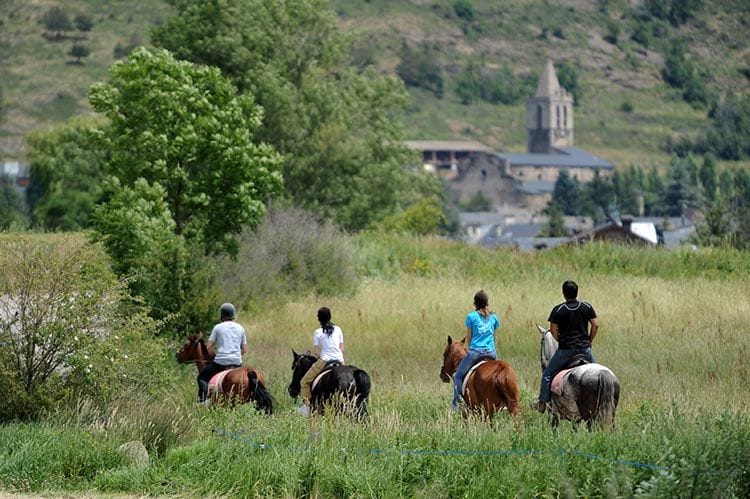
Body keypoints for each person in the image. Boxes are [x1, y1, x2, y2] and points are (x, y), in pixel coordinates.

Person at [532, 280, 598, 413]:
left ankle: (542, 403)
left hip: (566, 351)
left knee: (547, 374)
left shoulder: (559, 310)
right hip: (585, 350)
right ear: (577, 292)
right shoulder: (586, 306)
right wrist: (589, 340)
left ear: (563, 293)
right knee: (597, 374)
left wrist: (560, 341)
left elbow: (553, 330)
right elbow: (595, 325)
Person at [451, 290, 501, 410]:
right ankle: (502, 402)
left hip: (476, 353)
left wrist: (471, 349)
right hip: (491, 353)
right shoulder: (494, 317)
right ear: (487, 302)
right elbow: (494, 337)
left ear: (475, 303)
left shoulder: (471, 317)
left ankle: (457, 404)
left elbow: (469, 338)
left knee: (457, 376)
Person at [296, 307, 344, 416]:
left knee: (304, 382)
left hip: (325, 360)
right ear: (330, 317)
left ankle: (307, 407)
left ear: (319, 319)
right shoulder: (338, 329)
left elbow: (317, 353)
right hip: (340, 360)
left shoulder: (317, 332)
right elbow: (342, 348)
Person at [197, 302, 247, 404]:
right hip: (237, 362)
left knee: (202, 377)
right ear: (233, 315)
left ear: (222, 315)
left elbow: (208, 347)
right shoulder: (241, 328)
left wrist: (215, 356)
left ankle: (203, 402)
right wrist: (235, 356)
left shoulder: (218, 327)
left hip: (221, 363)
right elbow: (244, 349)